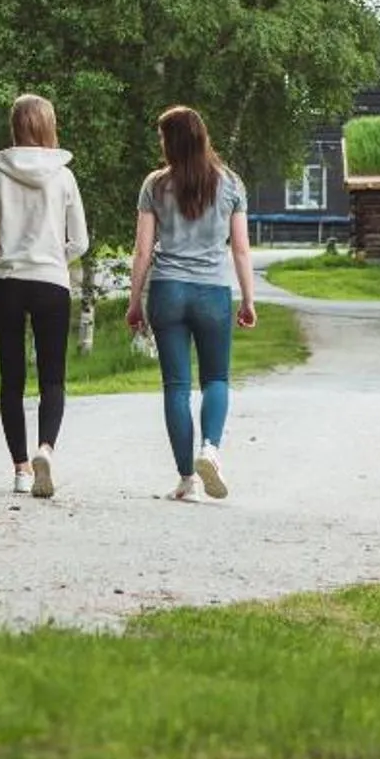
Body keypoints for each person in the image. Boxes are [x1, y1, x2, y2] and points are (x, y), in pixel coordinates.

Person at [126, 104, 256, 501]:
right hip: (212, 291)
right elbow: (241, 250)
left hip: (168, 290)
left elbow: (143, 251)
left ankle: (187, 480)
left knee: (176, 387)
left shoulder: (155, 184)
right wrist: (248, 299)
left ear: (172, 141)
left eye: (163, 137)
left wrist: (135, 302)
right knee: (216, 379)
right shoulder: (230, 183)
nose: (161, 144)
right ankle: (210, 450)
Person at [0, 92, 90, 498]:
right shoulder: (64, 175)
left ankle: (21, 470)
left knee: (12, 379)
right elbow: (82, 242)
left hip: (6, 280)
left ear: (15, 126)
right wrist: (56, 256)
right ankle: (46, 450)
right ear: (48, 125)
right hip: (51, 282)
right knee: (52, 377)